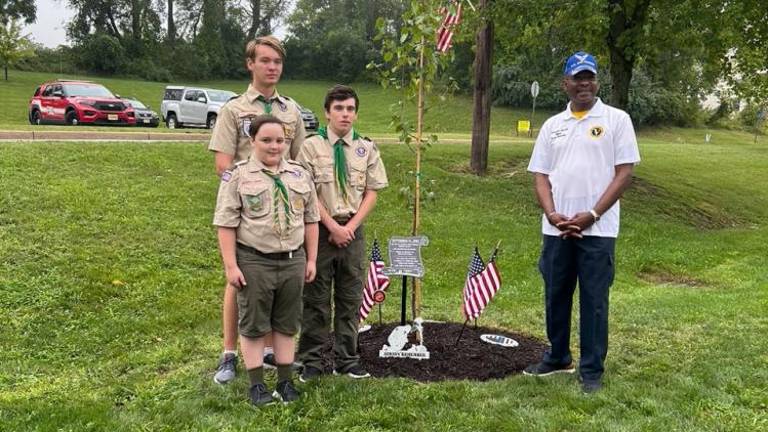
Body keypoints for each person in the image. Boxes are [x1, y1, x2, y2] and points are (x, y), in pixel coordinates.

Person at [523, 51, 640, 393]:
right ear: (566, 84)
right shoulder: (552, 126)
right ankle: (558, 357)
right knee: (555, 294)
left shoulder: (617, 119)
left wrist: (592, 214)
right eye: (577, 77)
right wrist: (550, 213)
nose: (584, 83)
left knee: (594, 301)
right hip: (556, 229)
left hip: (598, 230)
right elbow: (541, 176)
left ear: (597, 82)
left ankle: (591, 370)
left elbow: (624, 173)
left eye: (589, 77)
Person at [209, 35, 307, 385]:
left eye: (277, 62)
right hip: (246, 206)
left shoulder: (291, 111)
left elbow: (297, 159)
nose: (272, 67)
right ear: (250, 64)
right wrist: (254, 184)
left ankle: (268, 352)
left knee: (276, 283)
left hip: (283, 211)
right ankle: (228, 354)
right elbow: (223, 164)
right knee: (238, 280)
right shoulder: (233, 110)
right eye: (265, 61)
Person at [213, 115, 319, 406]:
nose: (275, 146)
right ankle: (257, 385)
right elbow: (226, 223)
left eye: (280, 140)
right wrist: (231, 265)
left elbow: (311, 219)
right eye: (267, 140)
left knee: (286, 324)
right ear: (252, 141)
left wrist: (311, 259)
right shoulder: (238, 175)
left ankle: (285, 383)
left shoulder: (299, 175)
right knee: (254, 324)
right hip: (255, 261)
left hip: (292, 260)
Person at [296, 85, 388, 381]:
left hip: (352, 233)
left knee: (350, 298)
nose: (345, 114)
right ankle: (311, 360)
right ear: (327, 112)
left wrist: (349, 227)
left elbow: (372, 192)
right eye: (338, 108)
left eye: (350, 108)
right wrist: (332, 226)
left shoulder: (367, 148)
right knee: (316, 299)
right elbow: (306, 192)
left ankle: (347, 358)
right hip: (320, 232)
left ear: (356, 113)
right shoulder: (310, 147)